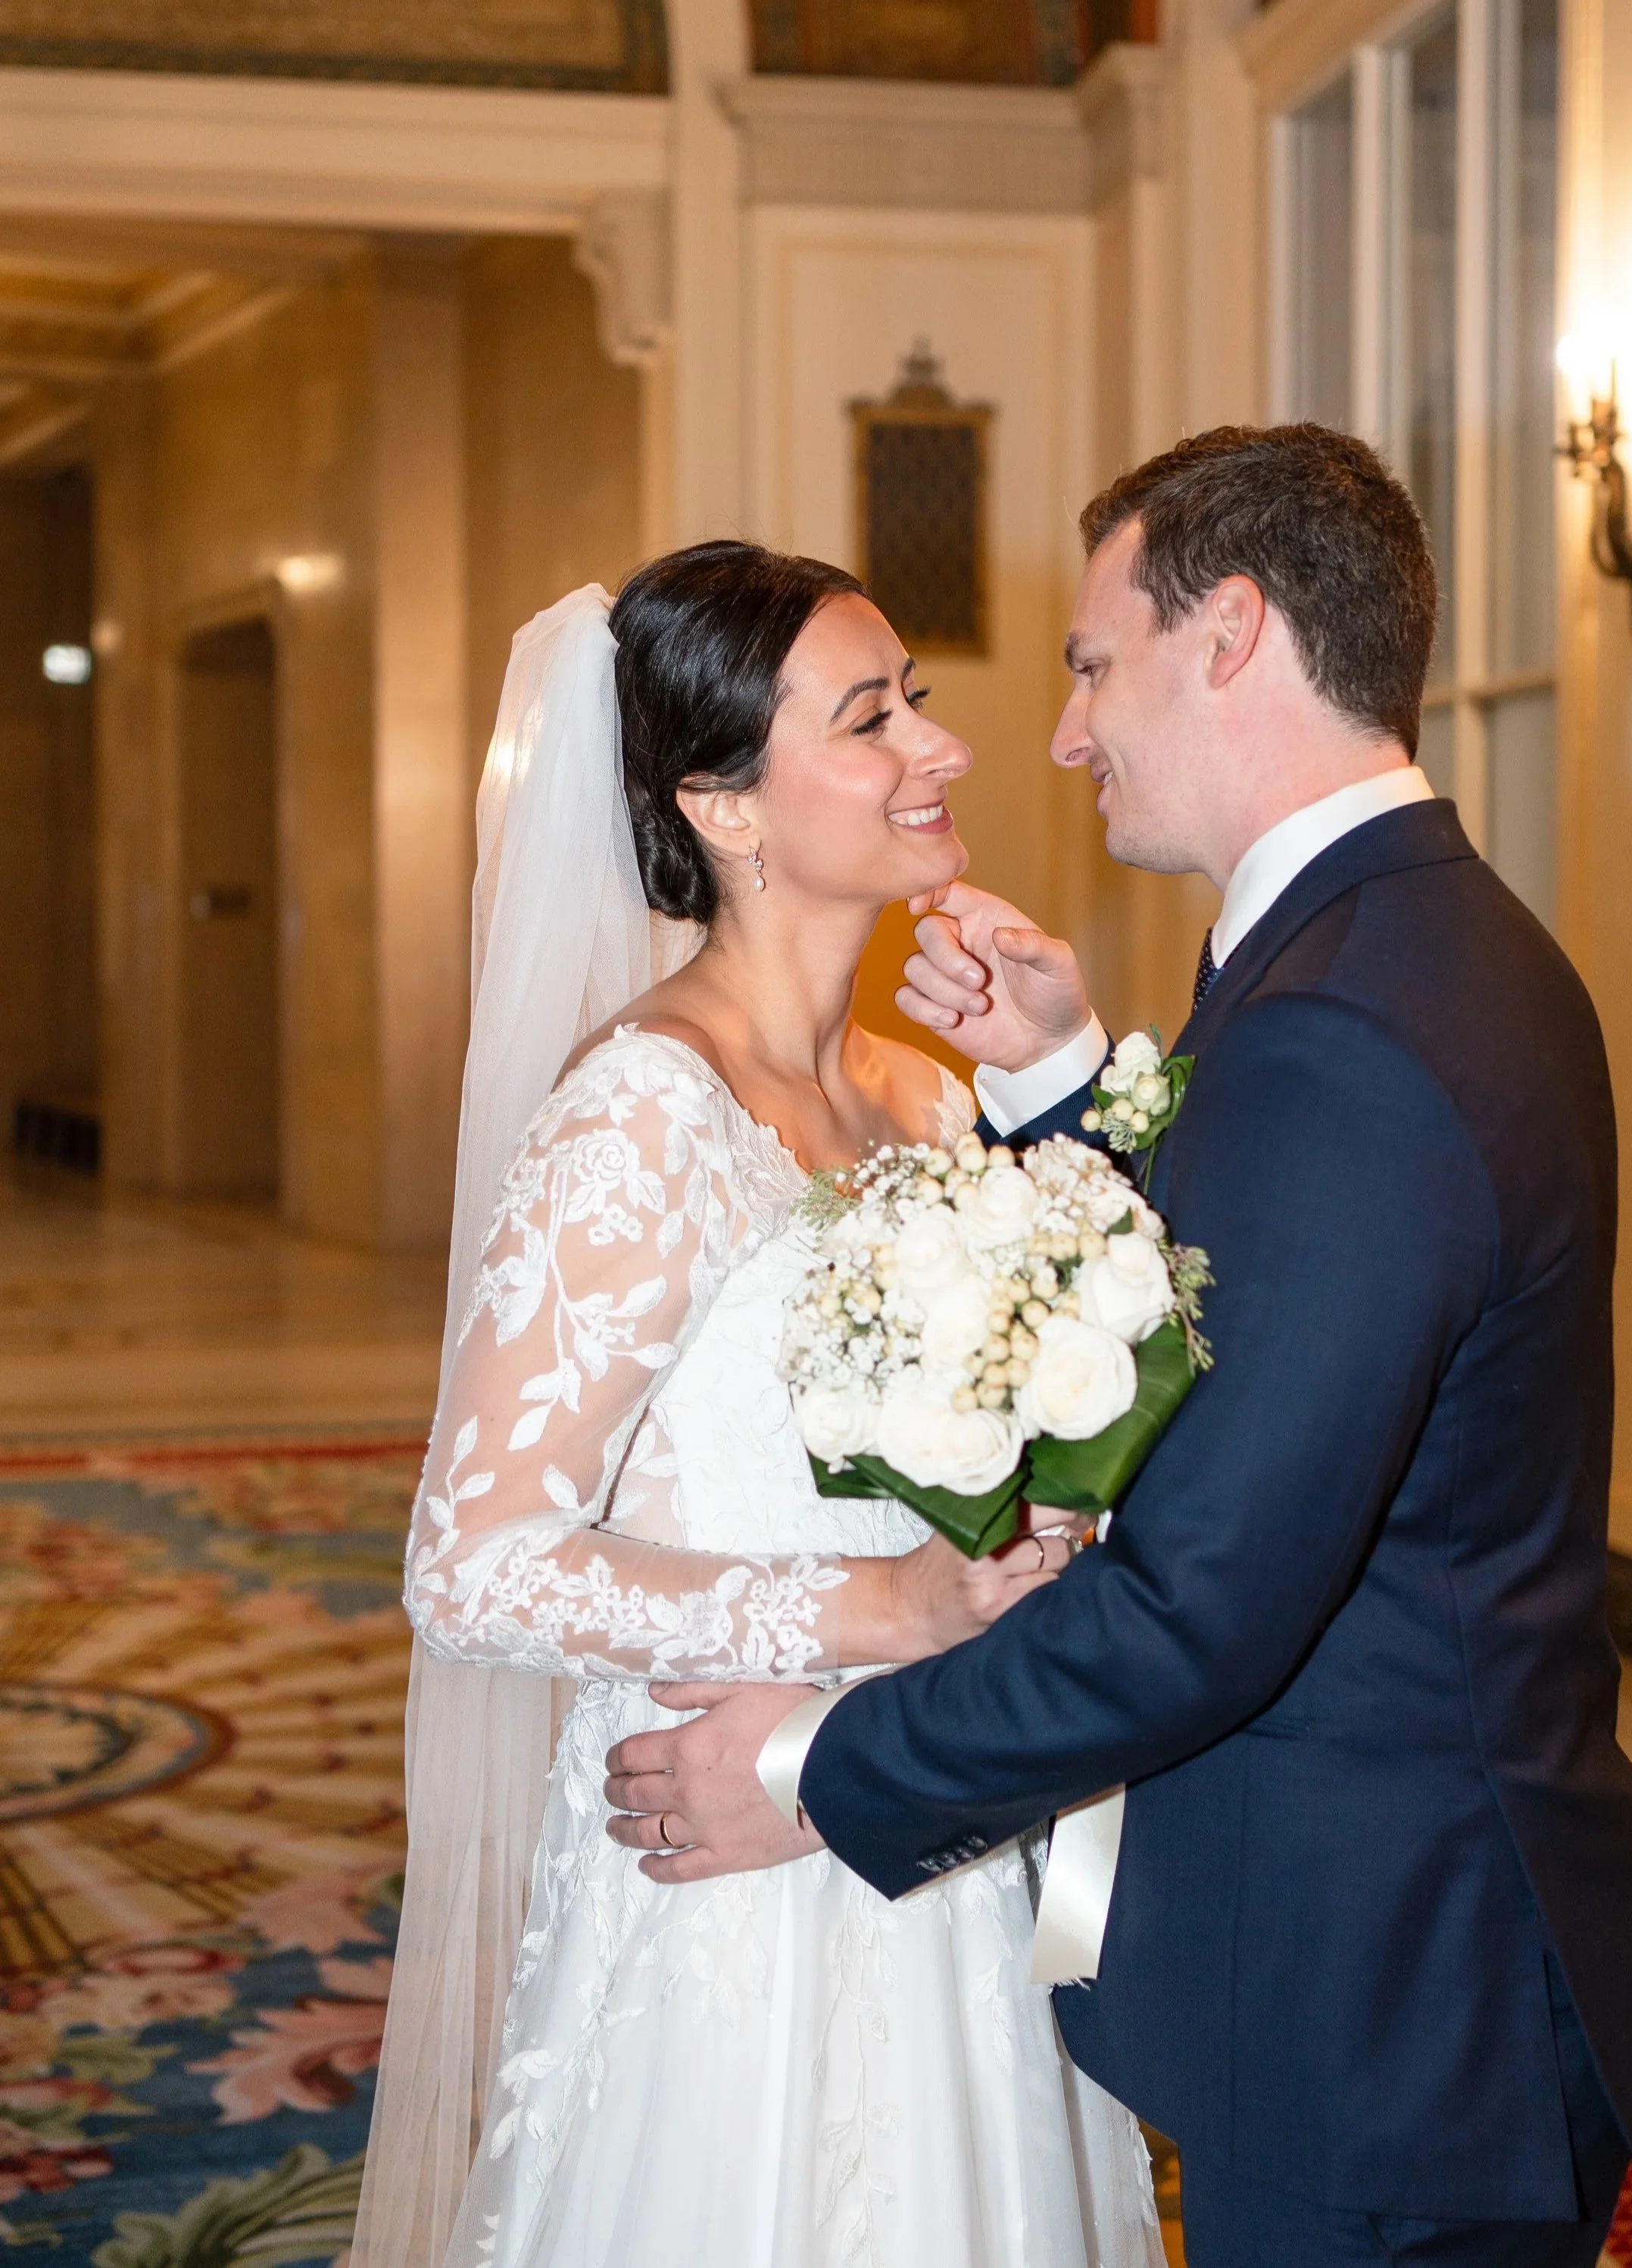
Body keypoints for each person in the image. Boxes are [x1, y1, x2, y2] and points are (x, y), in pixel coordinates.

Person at [600, 426, 1632, 2267]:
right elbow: (1234, 1324)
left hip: (1391, 2010)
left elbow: (1200, 1598)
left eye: (1095, 662)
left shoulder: (1345, 1023)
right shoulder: (1412, 951)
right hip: (1415, 1958)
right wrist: (1051, 1088)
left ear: (1231, 633)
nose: (1060, 728)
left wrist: (807, 1772)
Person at [354, 545, 1164, 2268]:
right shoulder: (642, 1115)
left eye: (916, 705)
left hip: (930, 1824)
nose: (937, 752)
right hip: (729, 1870)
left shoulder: (931, 1099)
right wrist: (869, 1604)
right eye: (869, 719)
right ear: (719, 802)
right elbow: (476, 1561)